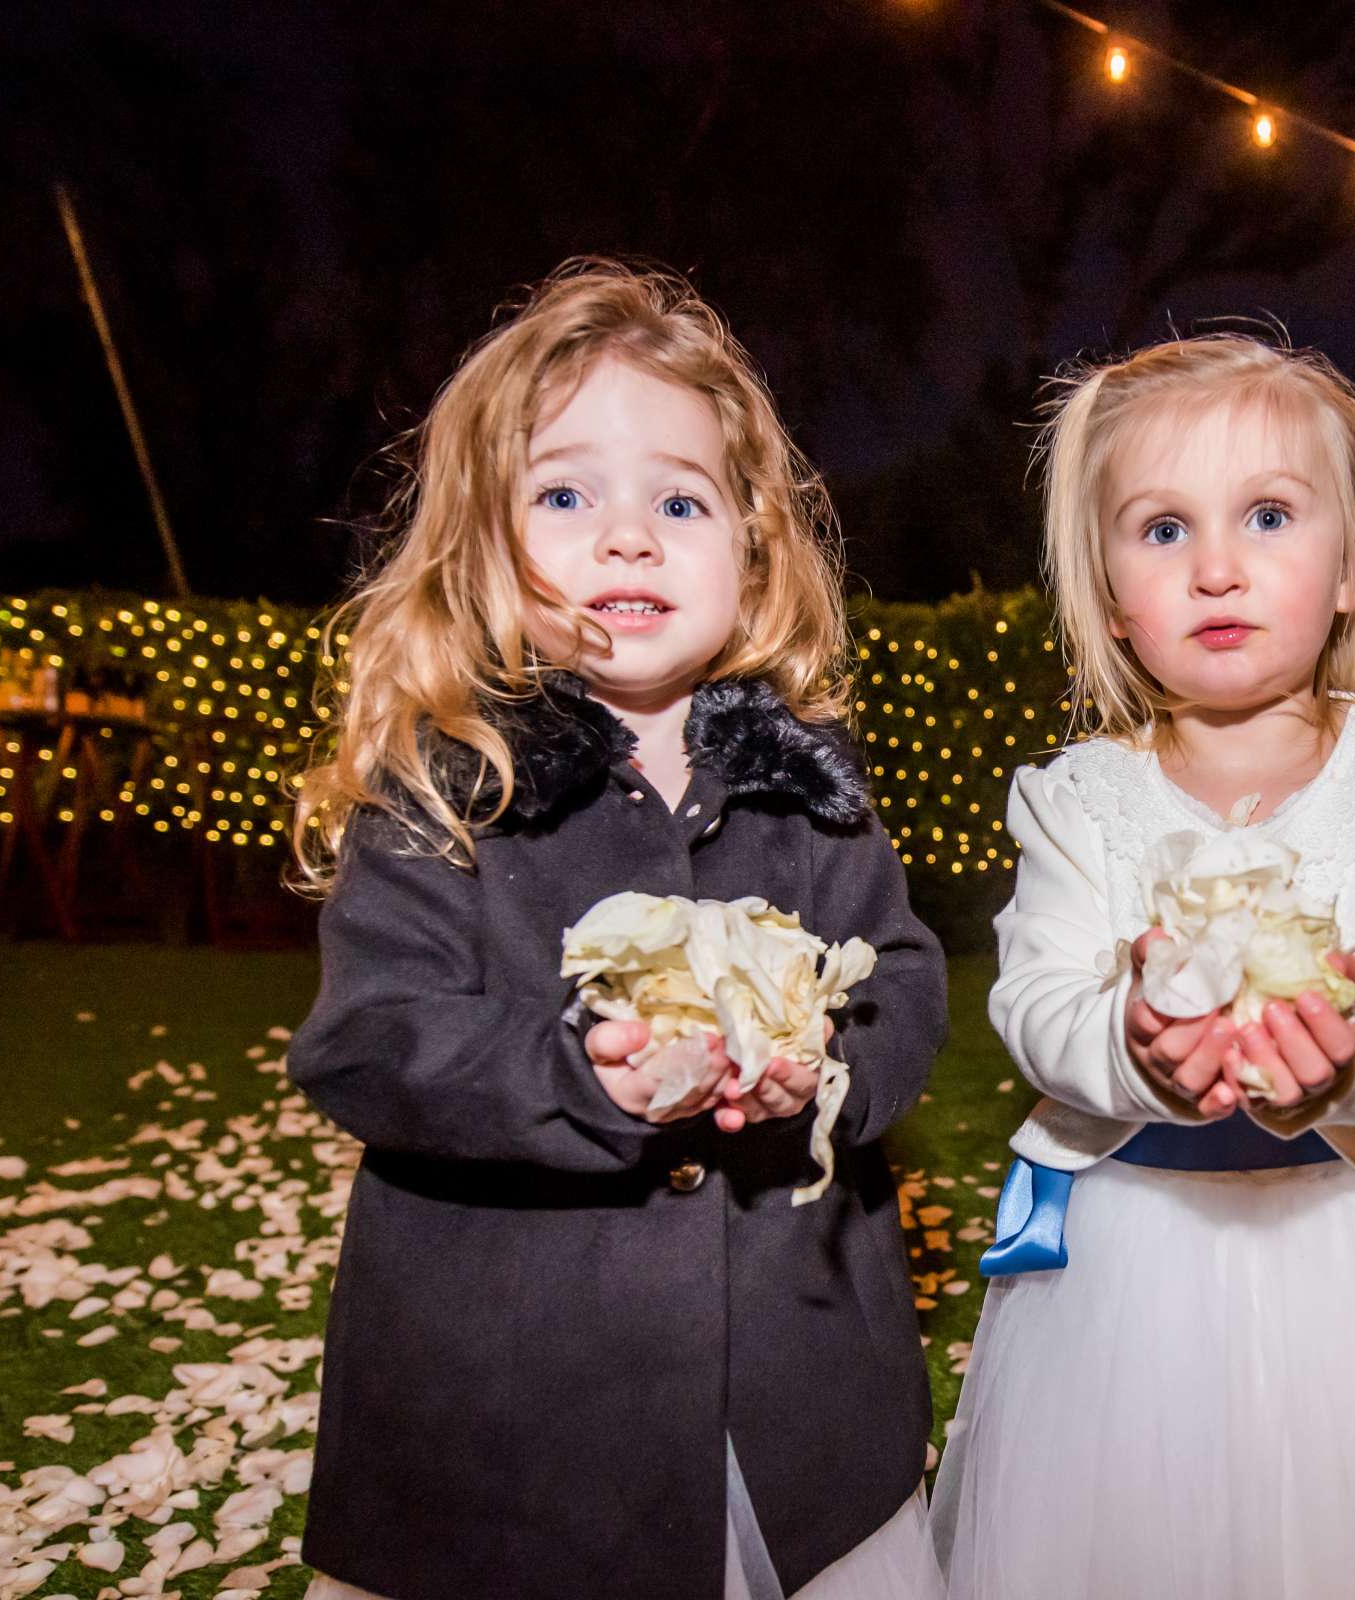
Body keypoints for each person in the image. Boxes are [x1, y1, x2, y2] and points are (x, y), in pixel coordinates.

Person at [287, 260, 947, 1600]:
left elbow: (905, 979)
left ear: (752, 550)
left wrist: (825, 1073)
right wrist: (577, 1071)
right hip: (512, 1424)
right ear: (482, 545)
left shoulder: (806, 784)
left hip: (799, 1406)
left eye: (681, 500)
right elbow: (370, 1040)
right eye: (567, 494)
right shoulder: (444, 783)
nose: (629, 536)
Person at [933, 332, 1355, 1598]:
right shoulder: (1076, 800)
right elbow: (1034, 996)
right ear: (1107, 587)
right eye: (1161, 530)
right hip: (1134, 1265)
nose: (1216, 568)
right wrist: (1126, 1044)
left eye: (1266, 516)